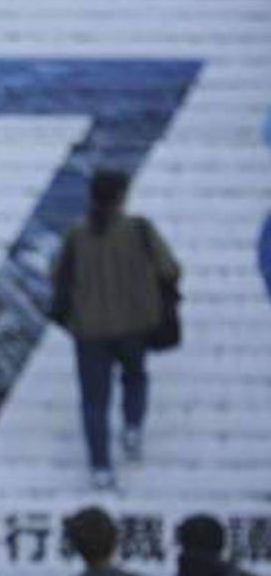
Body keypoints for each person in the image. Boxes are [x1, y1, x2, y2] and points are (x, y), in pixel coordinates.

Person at [50, 169, 181, 490]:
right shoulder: (140, 230)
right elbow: (170, 269)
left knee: (94, 400)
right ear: (122, 196)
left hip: (89, 329)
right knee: (135, 378)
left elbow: (55, 273)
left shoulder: (77, 234)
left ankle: (100, 467)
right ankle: (132, 428)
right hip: (135, 324)